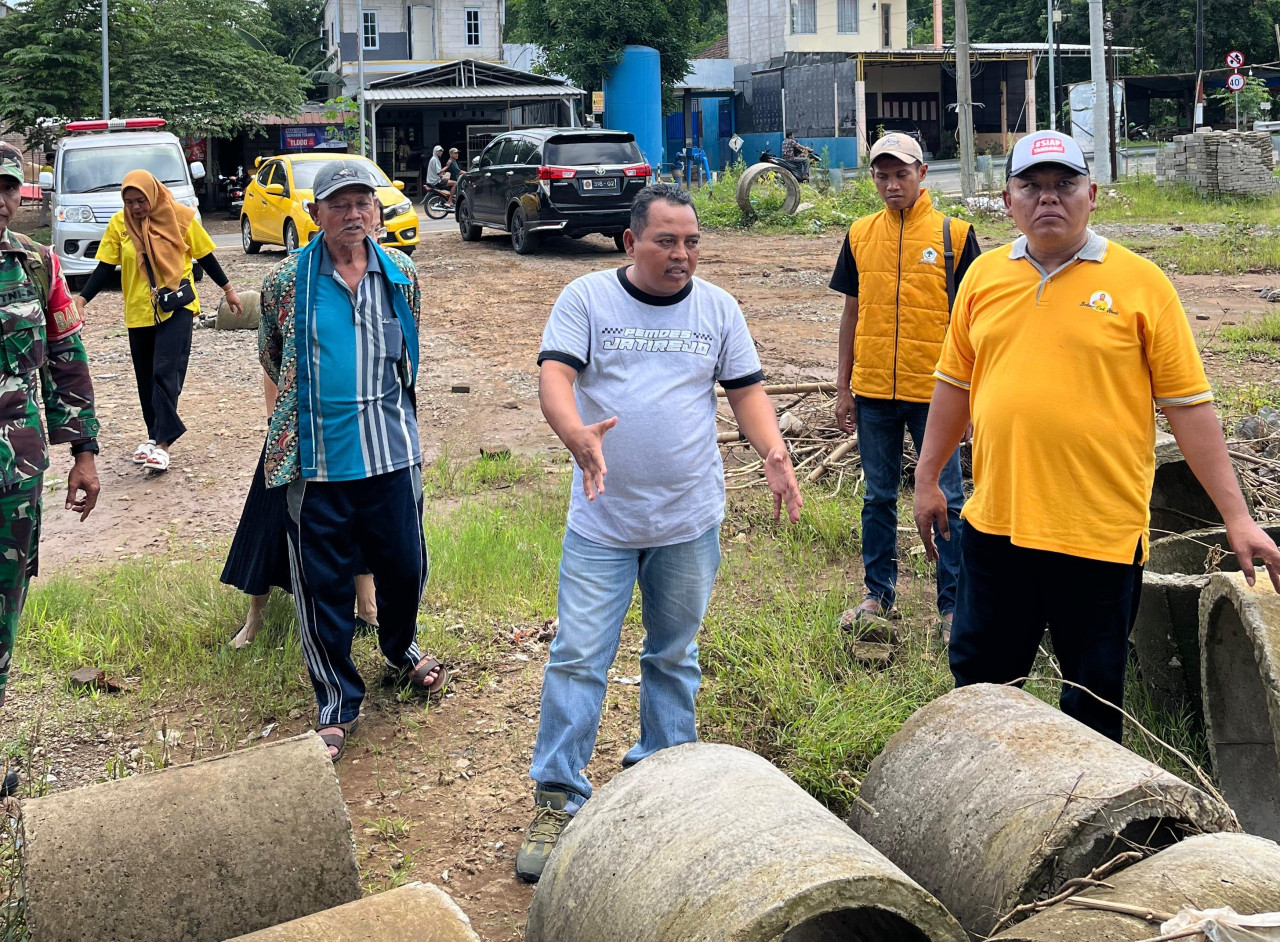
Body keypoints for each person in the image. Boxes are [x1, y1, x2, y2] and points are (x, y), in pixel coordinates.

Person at [912, 130, 1280, 742]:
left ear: (1094, 194)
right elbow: (954, 387)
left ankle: (1087, 822)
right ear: (1007, 200)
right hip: (997, 526)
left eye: (1065, 185)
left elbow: (1189, 409)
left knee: (1091, 701)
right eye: (1031, 186)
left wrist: (1238, 517)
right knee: (981, 691)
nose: (1047, 199)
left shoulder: (1141, 284)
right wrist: (927, 479)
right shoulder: (981, 279)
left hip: (1099, 535)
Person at [515, 183, 803, 883]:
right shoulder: (586, 299)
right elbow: (556, 377)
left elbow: (745, 392)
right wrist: (574, 431)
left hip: (687, 519)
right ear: (630, 241)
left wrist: (771, 449)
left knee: (674, 654)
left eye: (692, 241)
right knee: (580, 656)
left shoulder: (718, 308)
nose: (682, 255)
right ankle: (557, 798)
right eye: (667, 241)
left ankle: (668, 776)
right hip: (603, 521)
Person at [258, 159, 447, 762]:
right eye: (339, 204)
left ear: (377, 209)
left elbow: (408, 351)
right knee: (322, 585)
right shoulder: (286, 282)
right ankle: (337, 700)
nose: (353, 214)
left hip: (392, 451)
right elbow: (272, 354)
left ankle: (400, 649)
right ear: (315, 215)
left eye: (363, 201)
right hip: (317, 462)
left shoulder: (402, 275)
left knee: (406, 564)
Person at [829, 133, 980, 639]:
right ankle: (878, 595)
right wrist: (843, 384)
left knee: (948, 500)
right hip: (873, 391)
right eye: (882, 175)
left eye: (901, 174)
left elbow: (973, 322)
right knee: (877, 497)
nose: (892, 184)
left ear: (922, 174)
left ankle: (953, 607)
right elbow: (852, 312)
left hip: (937, 394)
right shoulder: (858, 234)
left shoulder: (955, 235)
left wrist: (972, 398)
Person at [0, 142, 101, 791]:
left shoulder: (37, 265)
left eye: (7, 188)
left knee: (4, 610)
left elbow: (67, 357)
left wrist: (84, 452)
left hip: (16, 479)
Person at [75, 171, 242, 473]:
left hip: (177, 305)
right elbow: (105, 266)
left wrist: (228, 290)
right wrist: (82, 300)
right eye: (129, 202)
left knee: (165, 371)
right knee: (145, 377)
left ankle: (163, 444)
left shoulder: (181, 217)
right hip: (138, 310)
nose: (136, 207)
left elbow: (205, 257)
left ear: (153, 194)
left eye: (141, 200)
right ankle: (154, 437)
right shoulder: (119, 224)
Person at [221, 370, 380, 650]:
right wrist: (275, 421)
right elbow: (272, 347)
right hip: (295, 413)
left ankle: (368, 609)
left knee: (359, 504)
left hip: (354, 408)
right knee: (272, 510)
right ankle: (254, 618)